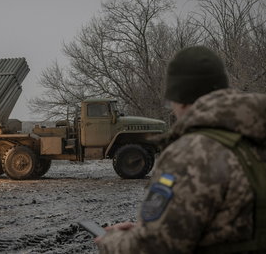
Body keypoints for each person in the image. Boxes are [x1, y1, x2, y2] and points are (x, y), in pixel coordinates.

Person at [95, 46, 266, 253]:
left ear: (180, 99)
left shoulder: (192, 154)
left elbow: (155, 247)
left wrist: (112, 242)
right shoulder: (256, 134)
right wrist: (147, 229)